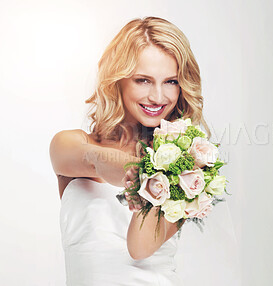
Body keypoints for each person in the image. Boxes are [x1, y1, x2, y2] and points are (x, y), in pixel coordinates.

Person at [49, 16, 211, 285]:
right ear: (118, 80)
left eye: (171, 81)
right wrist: (136, 171)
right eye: (143, 80)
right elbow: (93, 160)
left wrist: (156, 176)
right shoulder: (70, 144)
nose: (158, 97)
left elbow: (139, 249)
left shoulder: (186, 168)